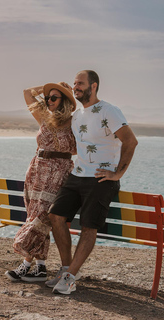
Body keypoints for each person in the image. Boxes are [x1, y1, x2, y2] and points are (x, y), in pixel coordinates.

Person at [47, 70, 138, 294]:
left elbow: (131, 141)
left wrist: (117, 174)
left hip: (100, 180)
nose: (76, 86)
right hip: (77, 175)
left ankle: (69, 278)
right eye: (75, 83)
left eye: (80, 83)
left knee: (88, 227)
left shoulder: (109, 111)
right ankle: (66, 269)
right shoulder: (77, 115)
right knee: (55, 216)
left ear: (93, 86)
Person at [5, 82, 77, 282]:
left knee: (41, 218)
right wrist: (52, 85)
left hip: (58, 172)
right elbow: (27, 93)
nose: (49, 101)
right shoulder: (45, 117)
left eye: (54, 98)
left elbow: (82, 147)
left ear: (64, 102)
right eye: (47, 98)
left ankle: (26, 264)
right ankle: (41, 268)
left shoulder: (75, 122)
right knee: (34, 216)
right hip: (37, 170)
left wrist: (67, 93)